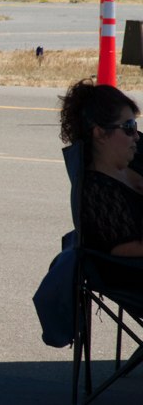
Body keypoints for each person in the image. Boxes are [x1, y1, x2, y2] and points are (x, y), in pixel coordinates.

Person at [58, 79, 143, 288]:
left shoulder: (135, 160)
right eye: (129, 127)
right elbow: (126, 250)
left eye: (135, 126)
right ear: (100, 133)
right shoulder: (97, 191)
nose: (136, 136)